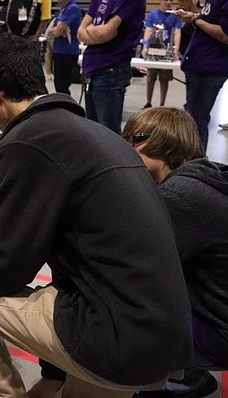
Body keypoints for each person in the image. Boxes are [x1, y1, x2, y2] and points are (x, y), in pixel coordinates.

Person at [0, 33, 193, 398]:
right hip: (158, 346)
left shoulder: (26, 139)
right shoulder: (96, 135)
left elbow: (5, 271)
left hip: (116, 340)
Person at [122, 107, 228, 398]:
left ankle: (164, 380)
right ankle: (188, 375)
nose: (125, 149)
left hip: (216, 332)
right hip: (217, 314)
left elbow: (134, 267)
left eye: (132, 139)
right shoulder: (203, 176)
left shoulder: (180, 197)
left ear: (161, 143)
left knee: (116, 306)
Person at [78, 0, 145, 135]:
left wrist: (90, 29)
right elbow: (80, 32)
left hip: (111, 68)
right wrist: (95, 32)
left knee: (108, 132)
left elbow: (106, 33)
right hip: (92, 68)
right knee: (92, 129)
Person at [174, 0, 228, 151]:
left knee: (197, 122)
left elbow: (225, 34)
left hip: (210, 67)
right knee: (193, 118)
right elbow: (209, 21)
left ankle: (196, 166)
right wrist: (193, 15)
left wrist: (195, 20)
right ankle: (192, 162)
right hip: (198, 65)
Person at [141, 0, 182, 108]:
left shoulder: (175, 16)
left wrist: (176, 50)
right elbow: (148, 30)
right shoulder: (153, 15)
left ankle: (162, 104)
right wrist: (145, 46)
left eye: (171, 0)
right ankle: (148, 102)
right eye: (166, 0)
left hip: (167, 50)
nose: (168, 2)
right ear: (160, 1)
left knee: (164, 79)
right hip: (154, 49)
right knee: (150, 78)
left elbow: (177, 33)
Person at [46, 0, 82, 95]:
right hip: (59, 49)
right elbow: (49, 31)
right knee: (58, 84)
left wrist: (56, 30)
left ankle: (65, 105)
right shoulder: (63, 9)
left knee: (62, 85)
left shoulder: (72, 8)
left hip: (68, 52)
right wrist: (56, 30)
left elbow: (57, 31)